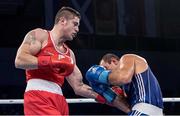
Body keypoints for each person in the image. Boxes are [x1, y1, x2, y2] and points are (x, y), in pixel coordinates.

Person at [15, 7, 130, 115]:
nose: (77, 29)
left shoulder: (69, 54)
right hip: (38, 95)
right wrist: (51, 60)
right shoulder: (39, 35)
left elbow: (78, 86)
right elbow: (19, 60)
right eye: (75, 24)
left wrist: (103, 96)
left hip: (60, 99)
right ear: (62, 21)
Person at [86, 53, 164, 115]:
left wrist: (99, 74)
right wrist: (108, 94)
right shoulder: (127, 87)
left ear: (114, 61)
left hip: (144, 110)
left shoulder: (128, 58)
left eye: (105, 68)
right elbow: (128, 109)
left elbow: (123, 78)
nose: (105, 71)